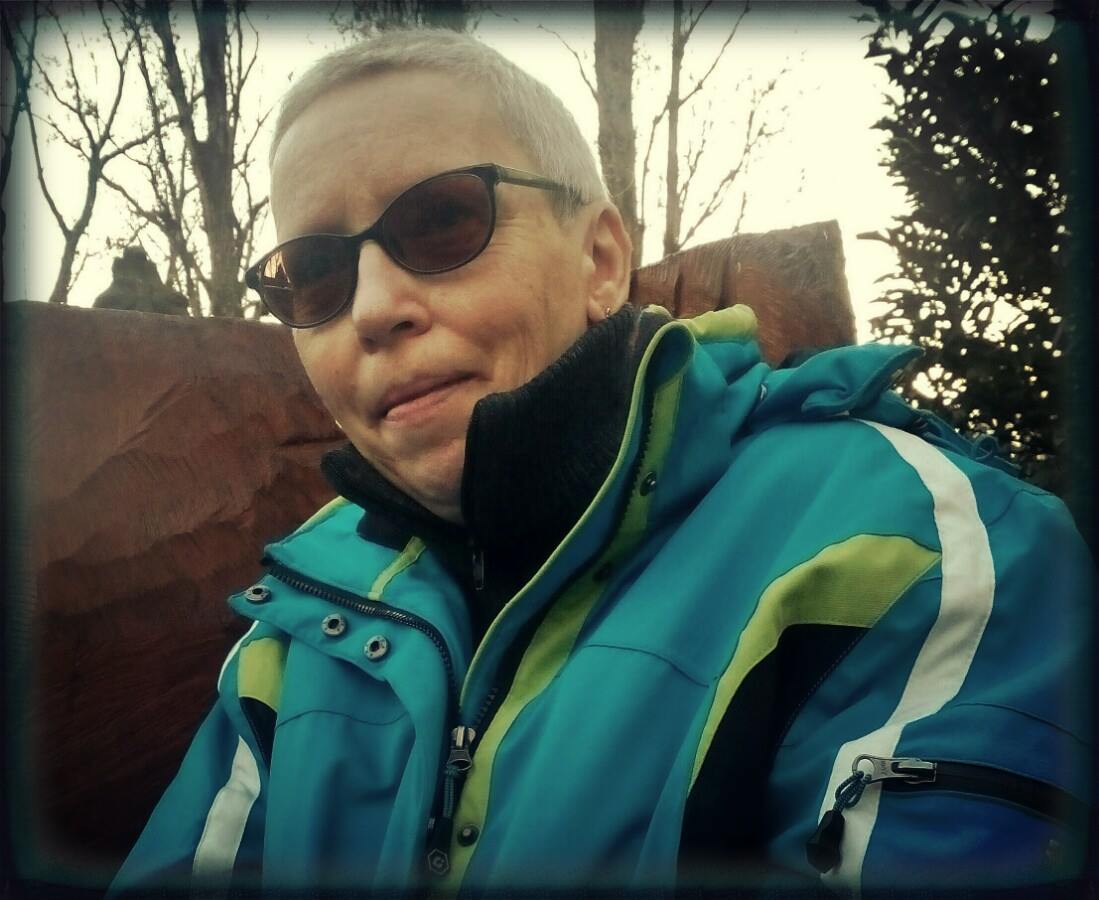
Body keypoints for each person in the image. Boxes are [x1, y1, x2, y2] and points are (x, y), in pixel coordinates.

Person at [110, 28, 1091, 895]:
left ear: (600, 261)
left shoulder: (921, 538)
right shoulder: (294, 633)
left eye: (441, 222)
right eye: (315, 273)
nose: (370, 309)